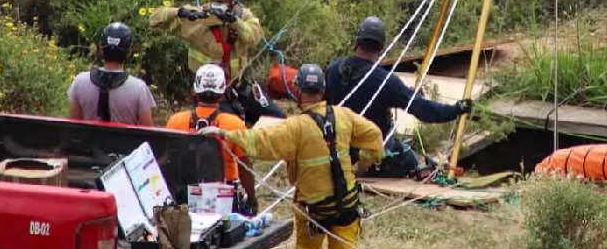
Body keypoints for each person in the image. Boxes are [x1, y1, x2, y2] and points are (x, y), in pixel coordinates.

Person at [199, 64, 383, 249]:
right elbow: (375, 136)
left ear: (298, 90)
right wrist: (360, 167)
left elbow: (260, 140)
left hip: (314, 212)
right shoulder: (344, 115)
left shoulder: (295, 127)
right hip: (347, 206)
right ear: (323, 90)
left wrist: (225, 134)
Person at [324, 16, 471, 175]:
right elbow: (423, 110)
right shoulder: (384, 81)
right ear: (381, 47)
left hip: (337, 150)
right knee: (411, 159)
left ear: (357, 42)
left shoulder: (333, 69)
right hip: (370, 154)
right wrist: (456, 109)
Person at [150, 0, 284, 123]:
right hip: (208, 94)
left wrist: (234, 21)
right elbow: (154, 20)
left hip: (238, 87)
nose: (218, 1)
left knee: (279, 120)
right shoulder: (196, 18)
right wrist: (179, 12)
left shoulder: (243, 17)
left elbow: (252, 37)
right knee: (228, 126)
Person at [166, 64, 256, 214]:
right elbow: (244, 167)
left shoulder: (175, 121)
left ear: (195, 90)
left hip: (183, 198)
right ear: (222, 93)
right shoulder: (233, 123)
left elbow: (168, 162)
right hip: (224, 199)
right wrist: (252, 199)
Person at [68, 22, 155, 125]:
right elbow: (148, 132)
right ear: (129, 52)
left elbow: (74, 125)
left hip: (89, 141)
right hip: (123, 141)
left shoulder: (80, 82)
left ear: (101, 50)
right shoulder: (139, 88)